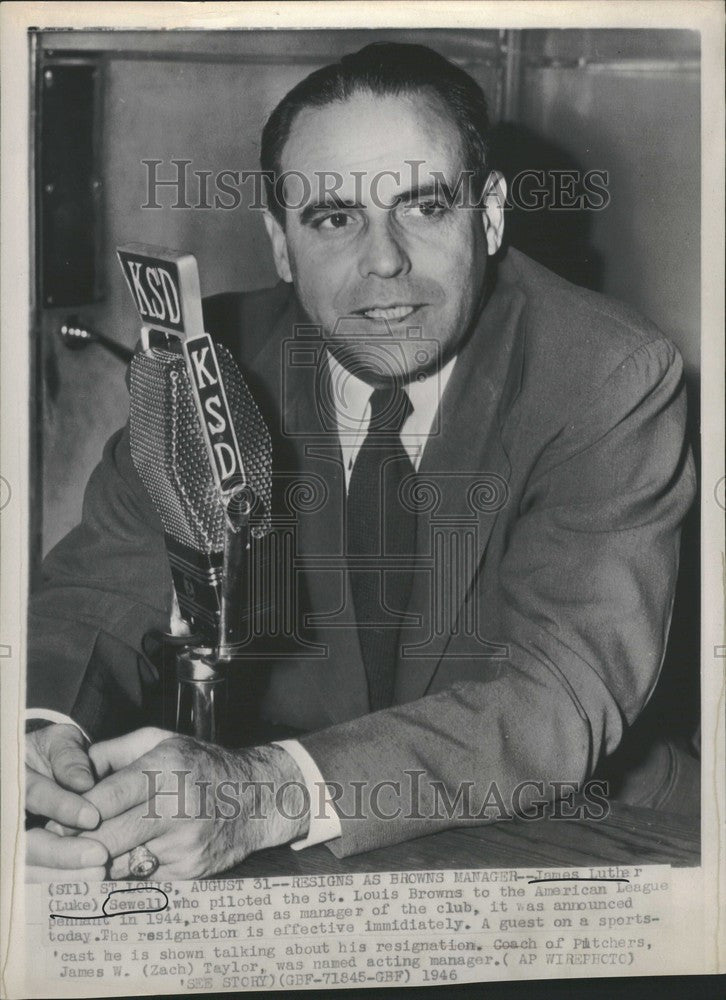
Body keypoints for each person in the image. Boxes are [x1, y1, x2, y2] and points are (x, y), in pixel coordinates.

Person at [25, 42, 696, 881]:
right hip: (295, 863)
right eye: (335, 217)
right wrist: (44, 733)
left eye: (423, 207)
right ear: (280, 242)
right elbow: (96, 591)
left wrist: (272, 788)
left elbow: (556, 697)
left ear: (489, 216)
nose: (384, 259)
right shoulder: (218, 362)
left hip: (577, 838)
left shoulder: (605, 375)